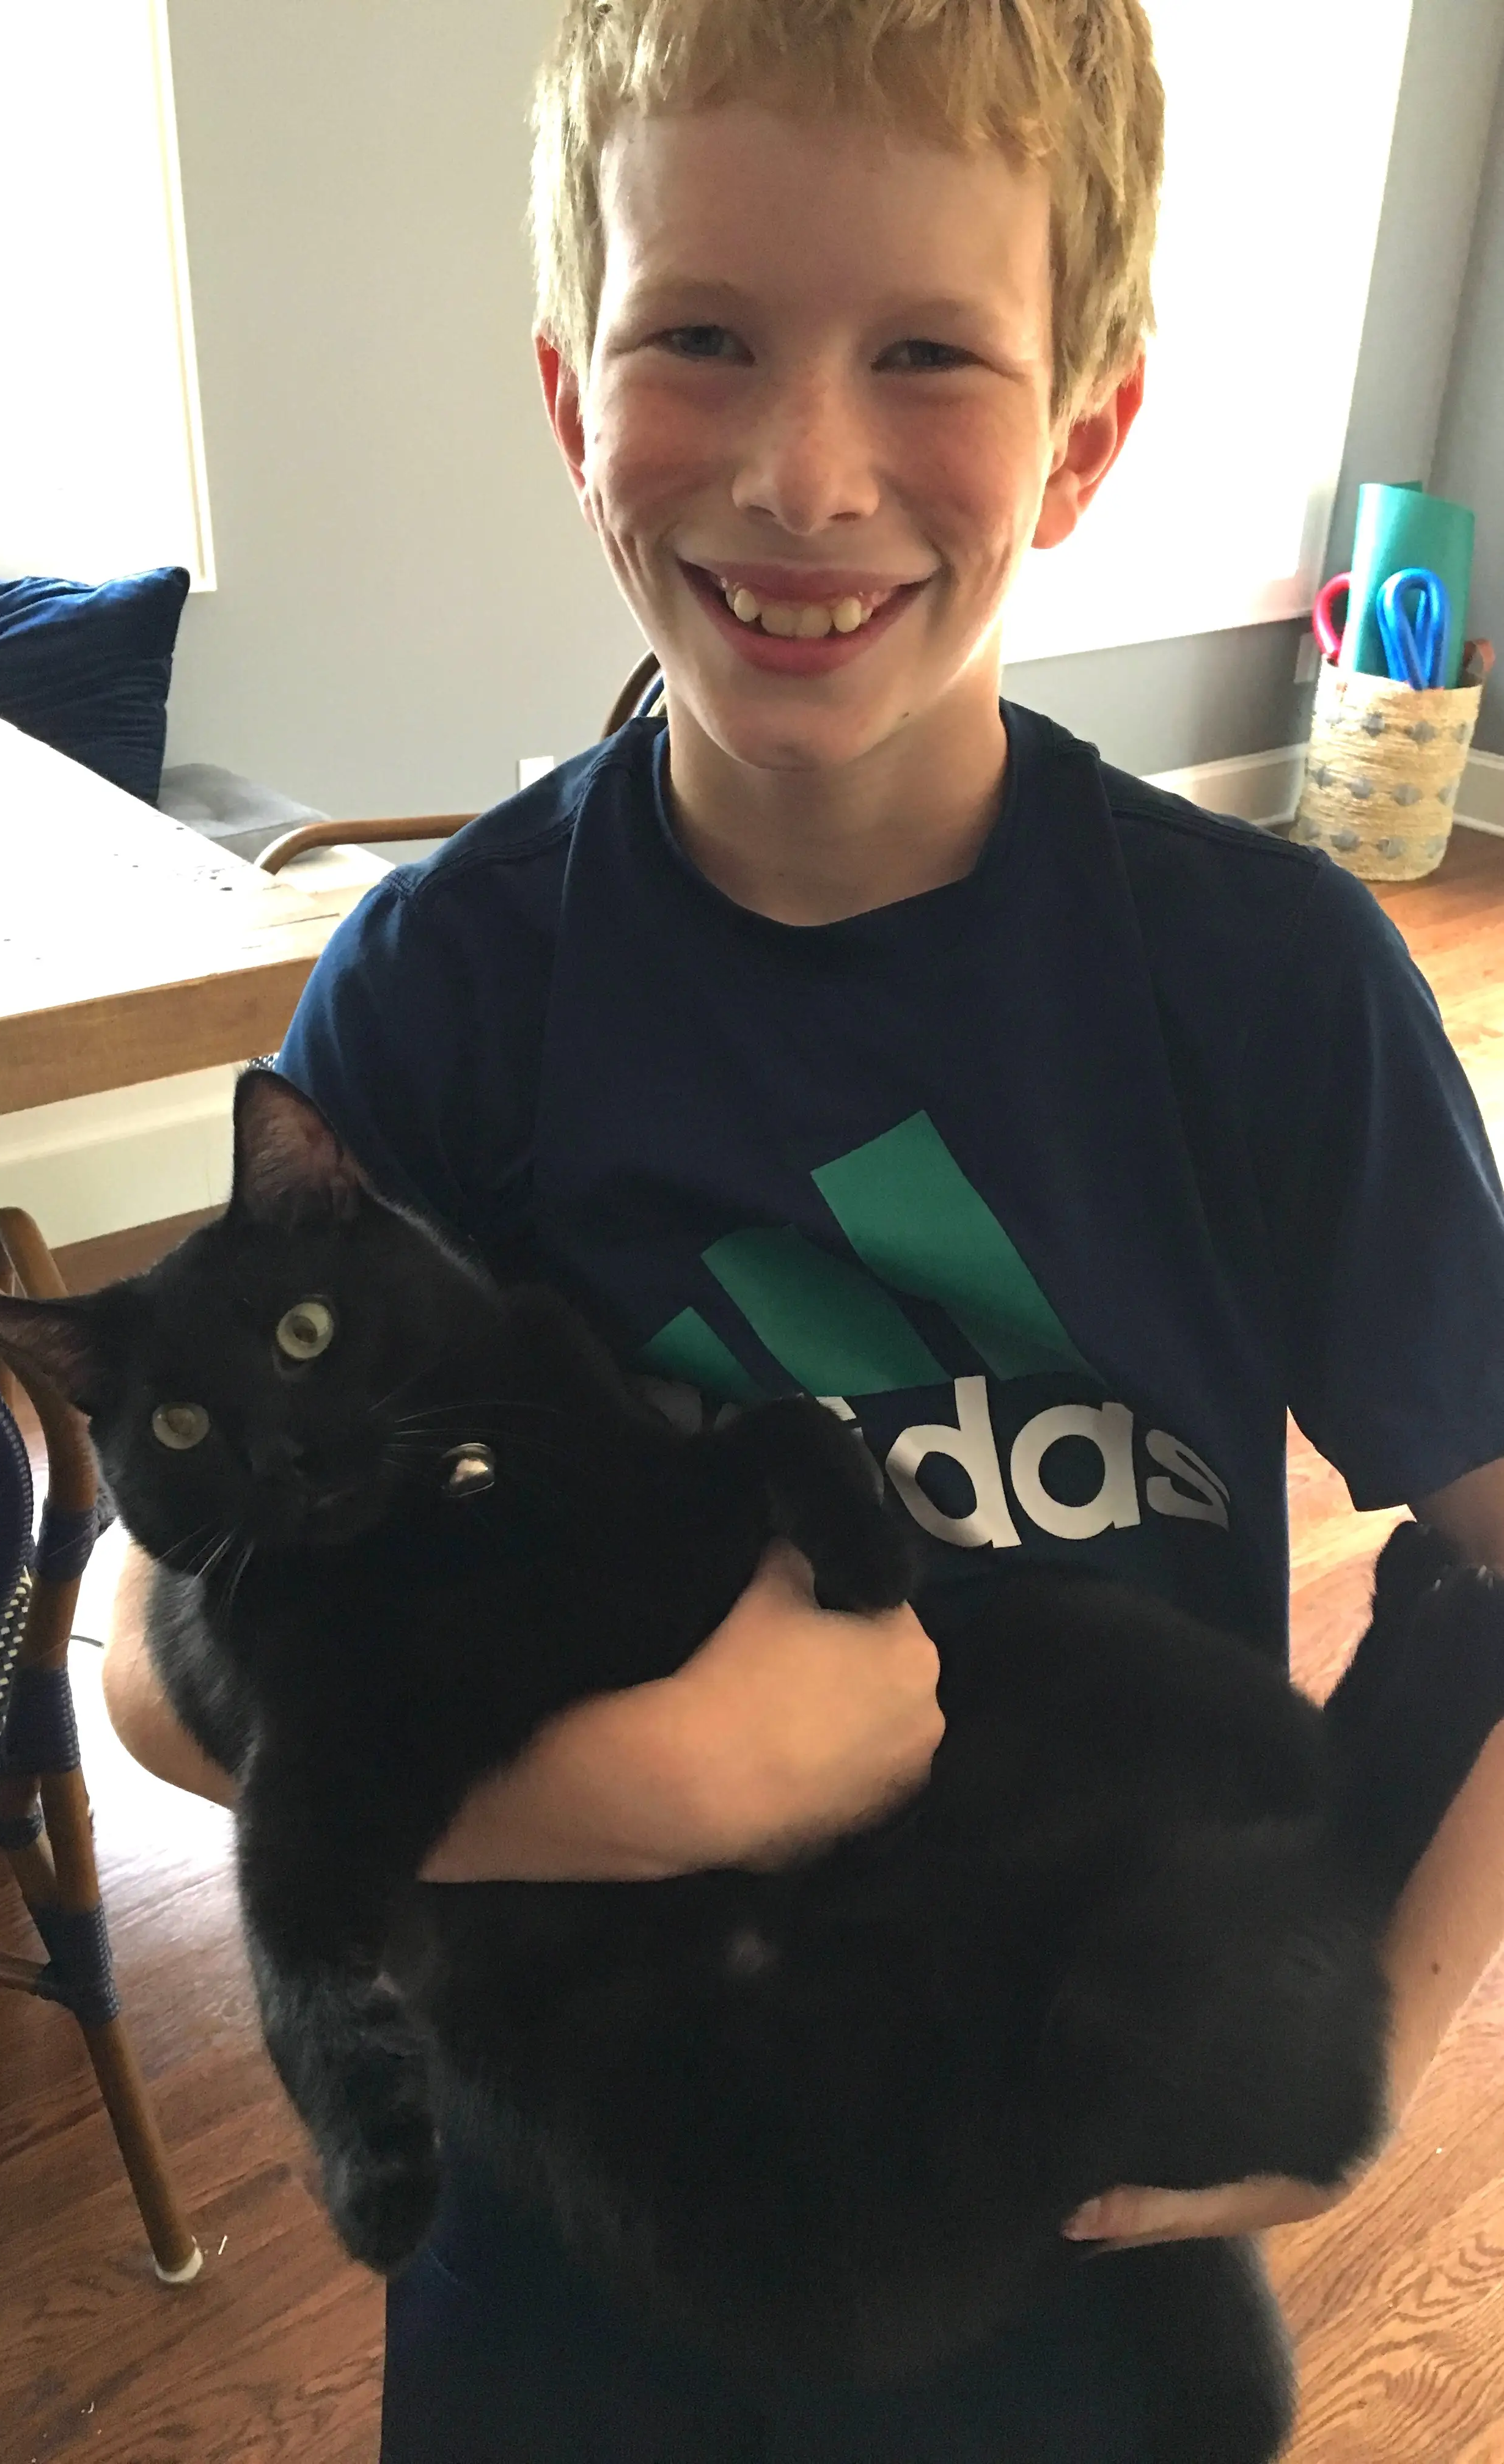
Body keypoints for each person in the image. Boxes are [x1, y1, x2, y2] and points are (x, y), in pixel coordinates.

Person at [103, 2, 1504, 2454]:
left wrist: (1377, 2029)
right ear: (571, 406)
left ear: (1082, 434)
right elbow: (154, 1641)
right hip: (601, 2245)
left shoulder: (1265, 988)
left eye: (928, 353)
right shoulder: (448, 986)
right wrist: (638, 1796)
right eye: (701, 339)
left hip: (1067, 2218)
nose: (801, 467)